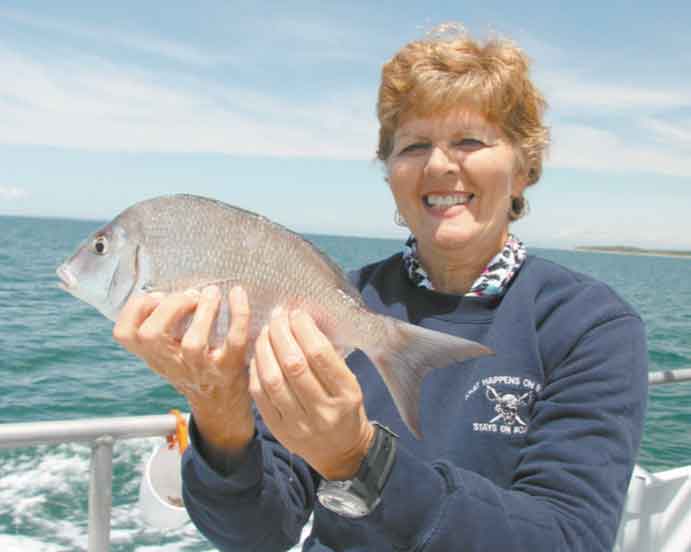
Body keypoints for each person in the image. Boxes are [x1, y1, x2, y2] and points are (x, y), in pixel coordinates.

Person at [113, 24, 648, 551]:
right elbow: (259, 533)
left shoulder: (590, 326)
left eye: (469, 140)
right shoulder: (329, 307)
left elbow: (568, 538)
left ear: (524, 167)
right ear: (389, 172)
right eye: (413, 146)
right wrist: (220, 413)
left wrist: (361, 461)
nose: (439, 164)